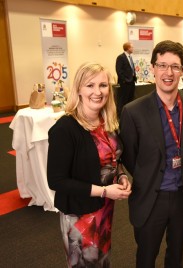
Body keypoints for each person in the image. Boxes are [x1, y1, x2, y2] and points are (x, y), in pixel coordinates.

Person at [119, 40, 183, 268]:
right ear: (153, 68)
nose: (169, 73)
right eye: (162, 65)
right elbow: (129, 156)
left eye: (175, 67)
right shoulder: (133, 111)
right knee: (146, 257)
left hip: (182, 195)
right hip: (150, 196)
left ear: (182, 71)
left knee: (176, 255)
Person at [47, 62, 132, 267]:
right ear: (78, 89)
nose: (97, 92)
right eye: (90, 85)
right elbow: (56, 181)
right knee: (84, 263)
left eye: (103, 85)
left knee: (101, 260)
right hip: (79, 213)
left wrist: (120, 175)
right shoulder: (65, 128)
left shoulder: (107, 122)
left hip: (104, 208)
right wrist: (104, 191)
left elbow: (113, 158)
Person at [115, 42, 137, 117]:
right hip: (125, 83)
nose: (133, 48)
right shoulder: (121, 57)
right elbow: (119, 70)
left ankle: (129, 115)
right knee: (123, 100)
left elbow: (131, 69)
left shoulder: (130, 57)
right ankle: (121, 116)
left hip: (132, 81)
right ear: (128, 48)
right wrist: (124, 80)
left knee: (130, 99)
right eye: (132, 47)